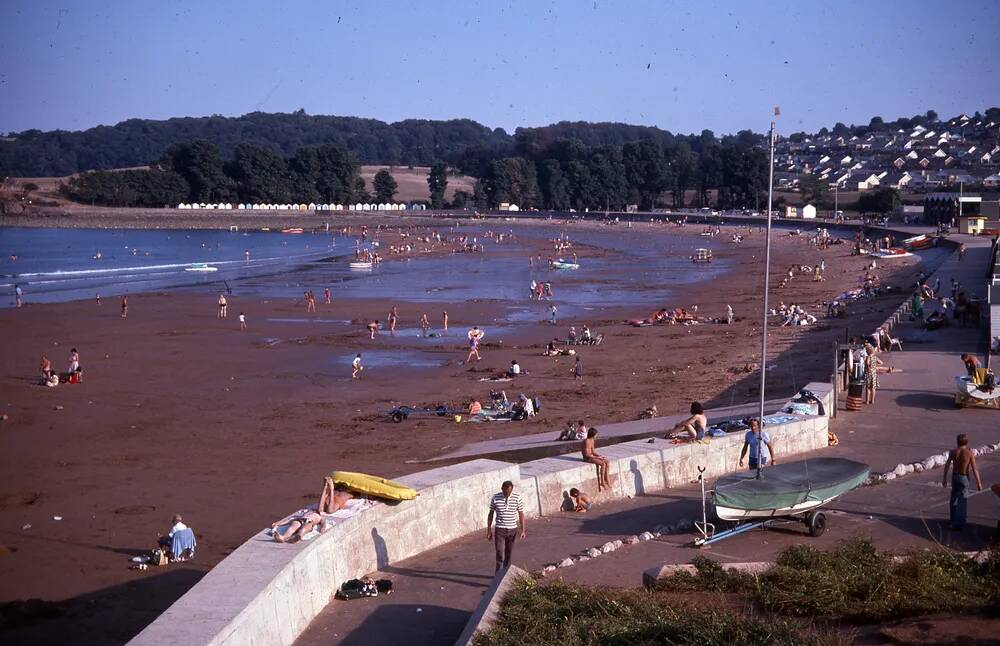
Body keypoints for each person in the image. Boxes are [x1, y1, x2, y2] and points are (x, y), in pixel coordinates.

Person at [942, 434, 983, 530]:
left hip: (955, 476)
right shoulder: (969, 453)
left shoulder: (953, 452)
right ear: (967, 442)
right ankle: (959, 523)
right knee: (962, 500)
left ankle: (953, 520)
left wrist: (944, 478)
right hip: (964, 477)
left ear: (957, 442)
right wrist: (979, 483)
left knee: (954, 498)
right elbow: (975, 469)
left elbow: (947, 466)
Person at [486, 481, 526, 572]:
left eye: (509, 492)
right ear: (502, 489)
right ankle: (498, 575)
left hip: (512, 530)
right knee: (500, 553)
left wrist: (523, 530)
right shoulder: (495, 498)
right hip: (500, 530)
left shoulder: (517, 498)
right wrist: (489, 530)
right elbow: (490, 514)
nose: (507, 494)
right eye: (505, 492)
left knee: (509, 553)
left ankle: (505, 574)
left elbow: (521, 514)